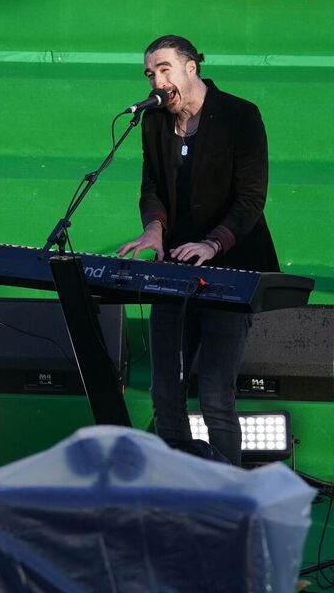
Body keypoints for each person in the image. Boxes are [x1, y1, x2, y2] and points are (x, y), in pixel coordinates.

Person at [117, 34, 278, 466]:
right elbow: (151, 187)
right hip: (174, 269)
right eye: (150, 72)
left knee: (214, 394)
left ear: (191, 68)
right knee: (165, 391)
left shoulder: (240, 115)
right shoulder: (153, 121)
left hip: (232, 270)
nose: (156, 79)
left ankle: (226, 495)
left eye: (164, 68)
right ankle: (174, 486)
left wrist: (212, 243)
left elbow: (250, 199)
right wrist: (154, 230)